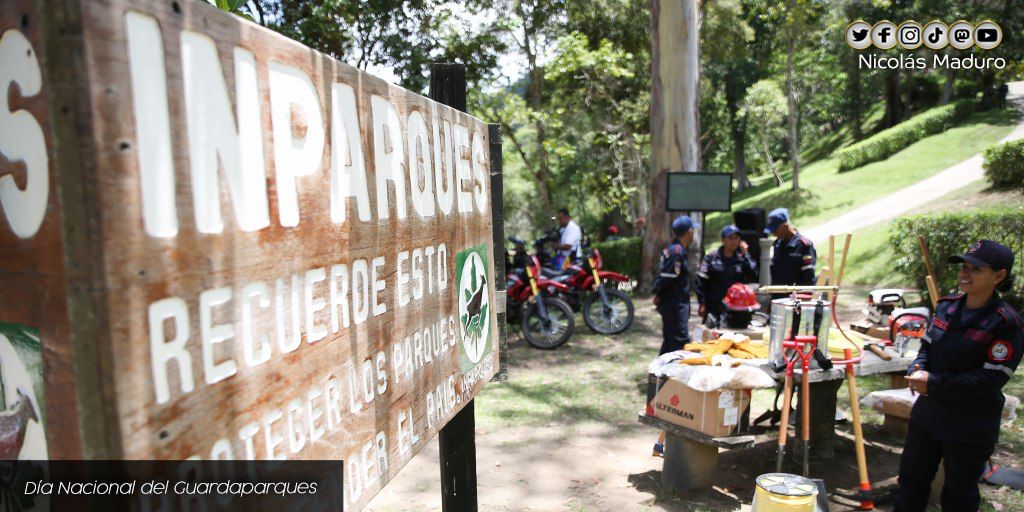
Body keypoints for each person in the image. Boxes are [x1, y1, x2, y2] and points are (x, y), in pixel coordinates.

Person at [895, 240, 1023, 512]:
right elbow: (927, 347)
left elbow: (992, 379)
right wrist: (918, 368)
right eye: (964, 266)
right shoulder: (947, 306)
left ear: (999, 276)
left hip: (970, 423)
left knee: (958, 495)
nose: (965, 273)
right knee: (911, 482)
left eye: (975, 268)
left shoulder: (1005, 322)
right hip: (928, 415)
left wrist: (934, 383)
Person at [652, 215, 698, 356]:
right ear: (689, 232)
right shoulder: (676, 252)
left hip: (674, 303)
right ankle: (674, 375)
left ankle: (658, 374)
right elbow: (668, 277)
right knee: (680, 343)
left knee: (670, 342)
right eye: (693, 231)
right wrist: (658, 293)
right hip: (674, 304)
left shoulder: (674, 249)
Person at [696, 225, 758, 325]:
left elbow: (753, 274)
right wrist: (702, 303)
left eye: (737, 238)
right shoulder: (711, 258)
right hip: (714, 306)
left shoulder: (741, 259)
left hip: (735, 308)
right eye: (730, 238)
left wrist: (746, 254)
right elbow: (700, 281)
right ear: (723, 240)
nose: (734, 241)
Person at [765, 208, 816, 292]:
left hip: (796, 299)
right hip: (778, 298)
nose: (774, 234)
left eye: (775, 230)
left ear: (785, 226)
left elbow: (809, 277)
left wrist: (802, 298)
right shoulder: (777, 244)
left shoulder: (804, 245)